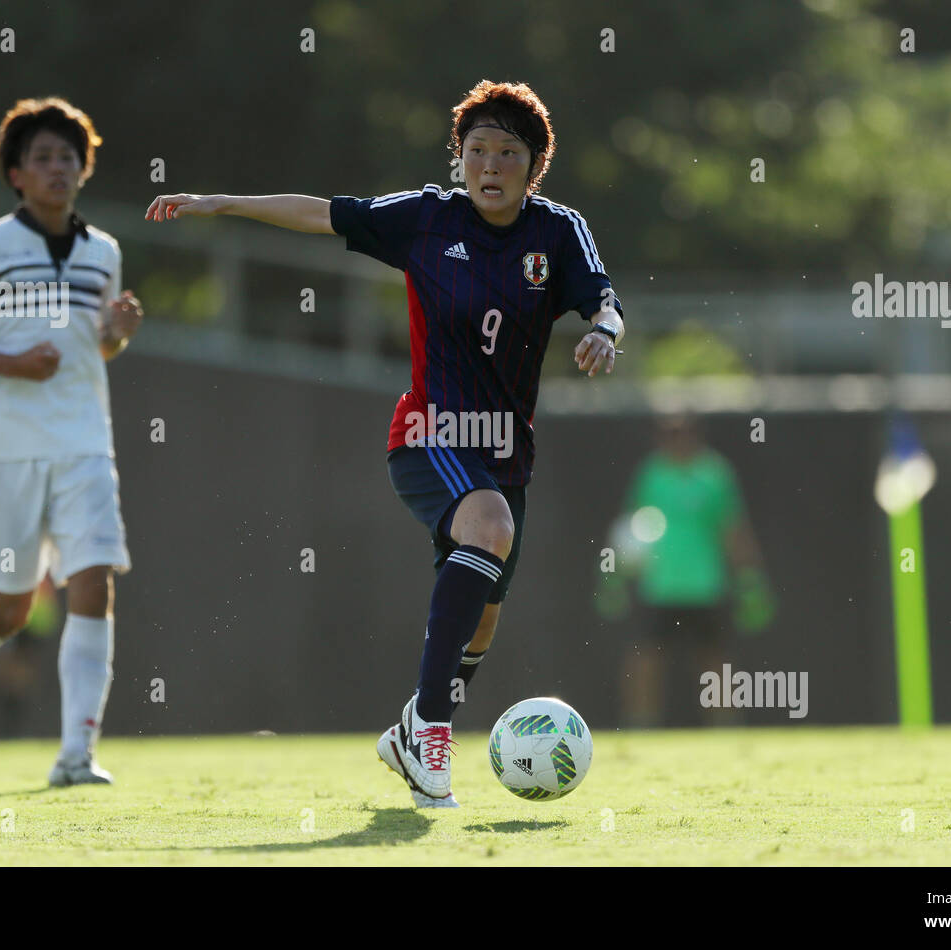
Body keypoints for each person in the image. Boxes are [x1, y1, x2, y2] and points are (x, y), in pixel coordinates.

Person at [147, 79, 623, 807]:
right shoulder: (430, 219)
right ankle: (432, 734)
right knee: (489, 528)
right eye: (477, 150)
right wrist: (222, 204)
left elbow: (603, 298)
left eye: (508, 152)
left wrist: (603, 330)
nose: (490, 165)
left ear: (535, 166)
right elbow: (323, 212)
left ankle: (409, 730)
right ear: (459, 158)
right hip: (426, 433)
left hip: (505, 452)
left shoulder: (556, 232)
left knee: (485, 616)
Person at [0, 97, 143, 786]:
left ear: (84, 169)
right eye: (42, 158)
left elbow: (96, 351)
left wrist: (117, 332)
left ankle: (77, 753)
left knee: (93, 583)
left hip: (84, 442)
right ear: (17, 174)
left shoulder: (103, 251)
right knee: (14, 606)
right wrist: (13, 365)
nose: (58, 168)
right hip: (3, 446)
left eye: (68, 157)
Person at [605, 414, 772, 726]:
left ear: (696, 435)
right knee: (645, 659)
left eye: (682, 433)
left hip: (705, 584)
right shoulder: (651, 473)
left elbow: (733, 529)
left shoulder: (715, 474)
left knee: (715, 660)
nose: (675, 440)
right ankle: (641, 724)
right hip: (660, 585)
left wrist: (751, 581)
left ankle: (725, 727)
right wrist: (614, 576)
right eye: (668, 434)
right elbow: (631, 529)